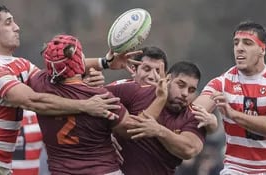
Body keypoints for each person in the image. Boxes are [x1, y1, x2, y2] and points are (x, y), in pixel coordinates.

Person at [0, 4, 139, 175]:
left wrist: (106, 62)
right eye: (8, 23)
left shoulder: (21, 64)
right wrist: (86, 105)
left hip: (2, 164)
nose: (17, 28)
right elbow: (33, 101)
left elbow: (60, 69)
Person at [29, 34, 168, 175]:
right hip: (103, 170)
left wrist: (105, 62)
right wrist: (161, 98)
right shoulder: (100, 97)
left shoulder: (39, 82)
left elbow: (62, 65)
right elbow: (133, 129)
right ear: (79, 62)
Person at [193, 21, 266, 175]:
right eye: (236, 43)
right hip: (235, 170)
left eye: (248, 43)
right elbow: (194, 112)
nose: (239, 48)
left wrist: (232, 114)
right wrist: (210, 121)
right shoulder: (223, 82)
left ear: (262, 49)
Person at [106, 61, 210, 175]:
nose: (185, 93)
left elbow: (189, 149)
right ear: (168, 79)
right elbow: (92, 97)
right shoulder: (137, 91)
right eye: (180, 85)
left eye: (191, 90)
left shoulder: (194, 115)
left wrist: (159, 131)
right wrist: (106, 136)